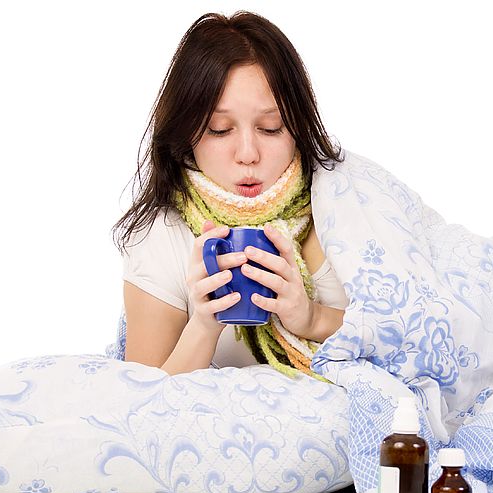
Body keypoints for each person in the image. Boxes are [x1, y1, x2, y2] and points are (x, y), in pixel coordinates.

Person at [111, 11, 348, 377]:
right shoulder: (160, 235)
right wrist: (204, 324)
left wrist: (311, 317)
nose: (248, 154)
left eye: (271, 128)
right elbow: (140, 404)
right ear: (186, 133)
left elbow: (412, 343)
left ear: (298, 127)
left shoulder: (342, 202)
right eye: (220, 130)